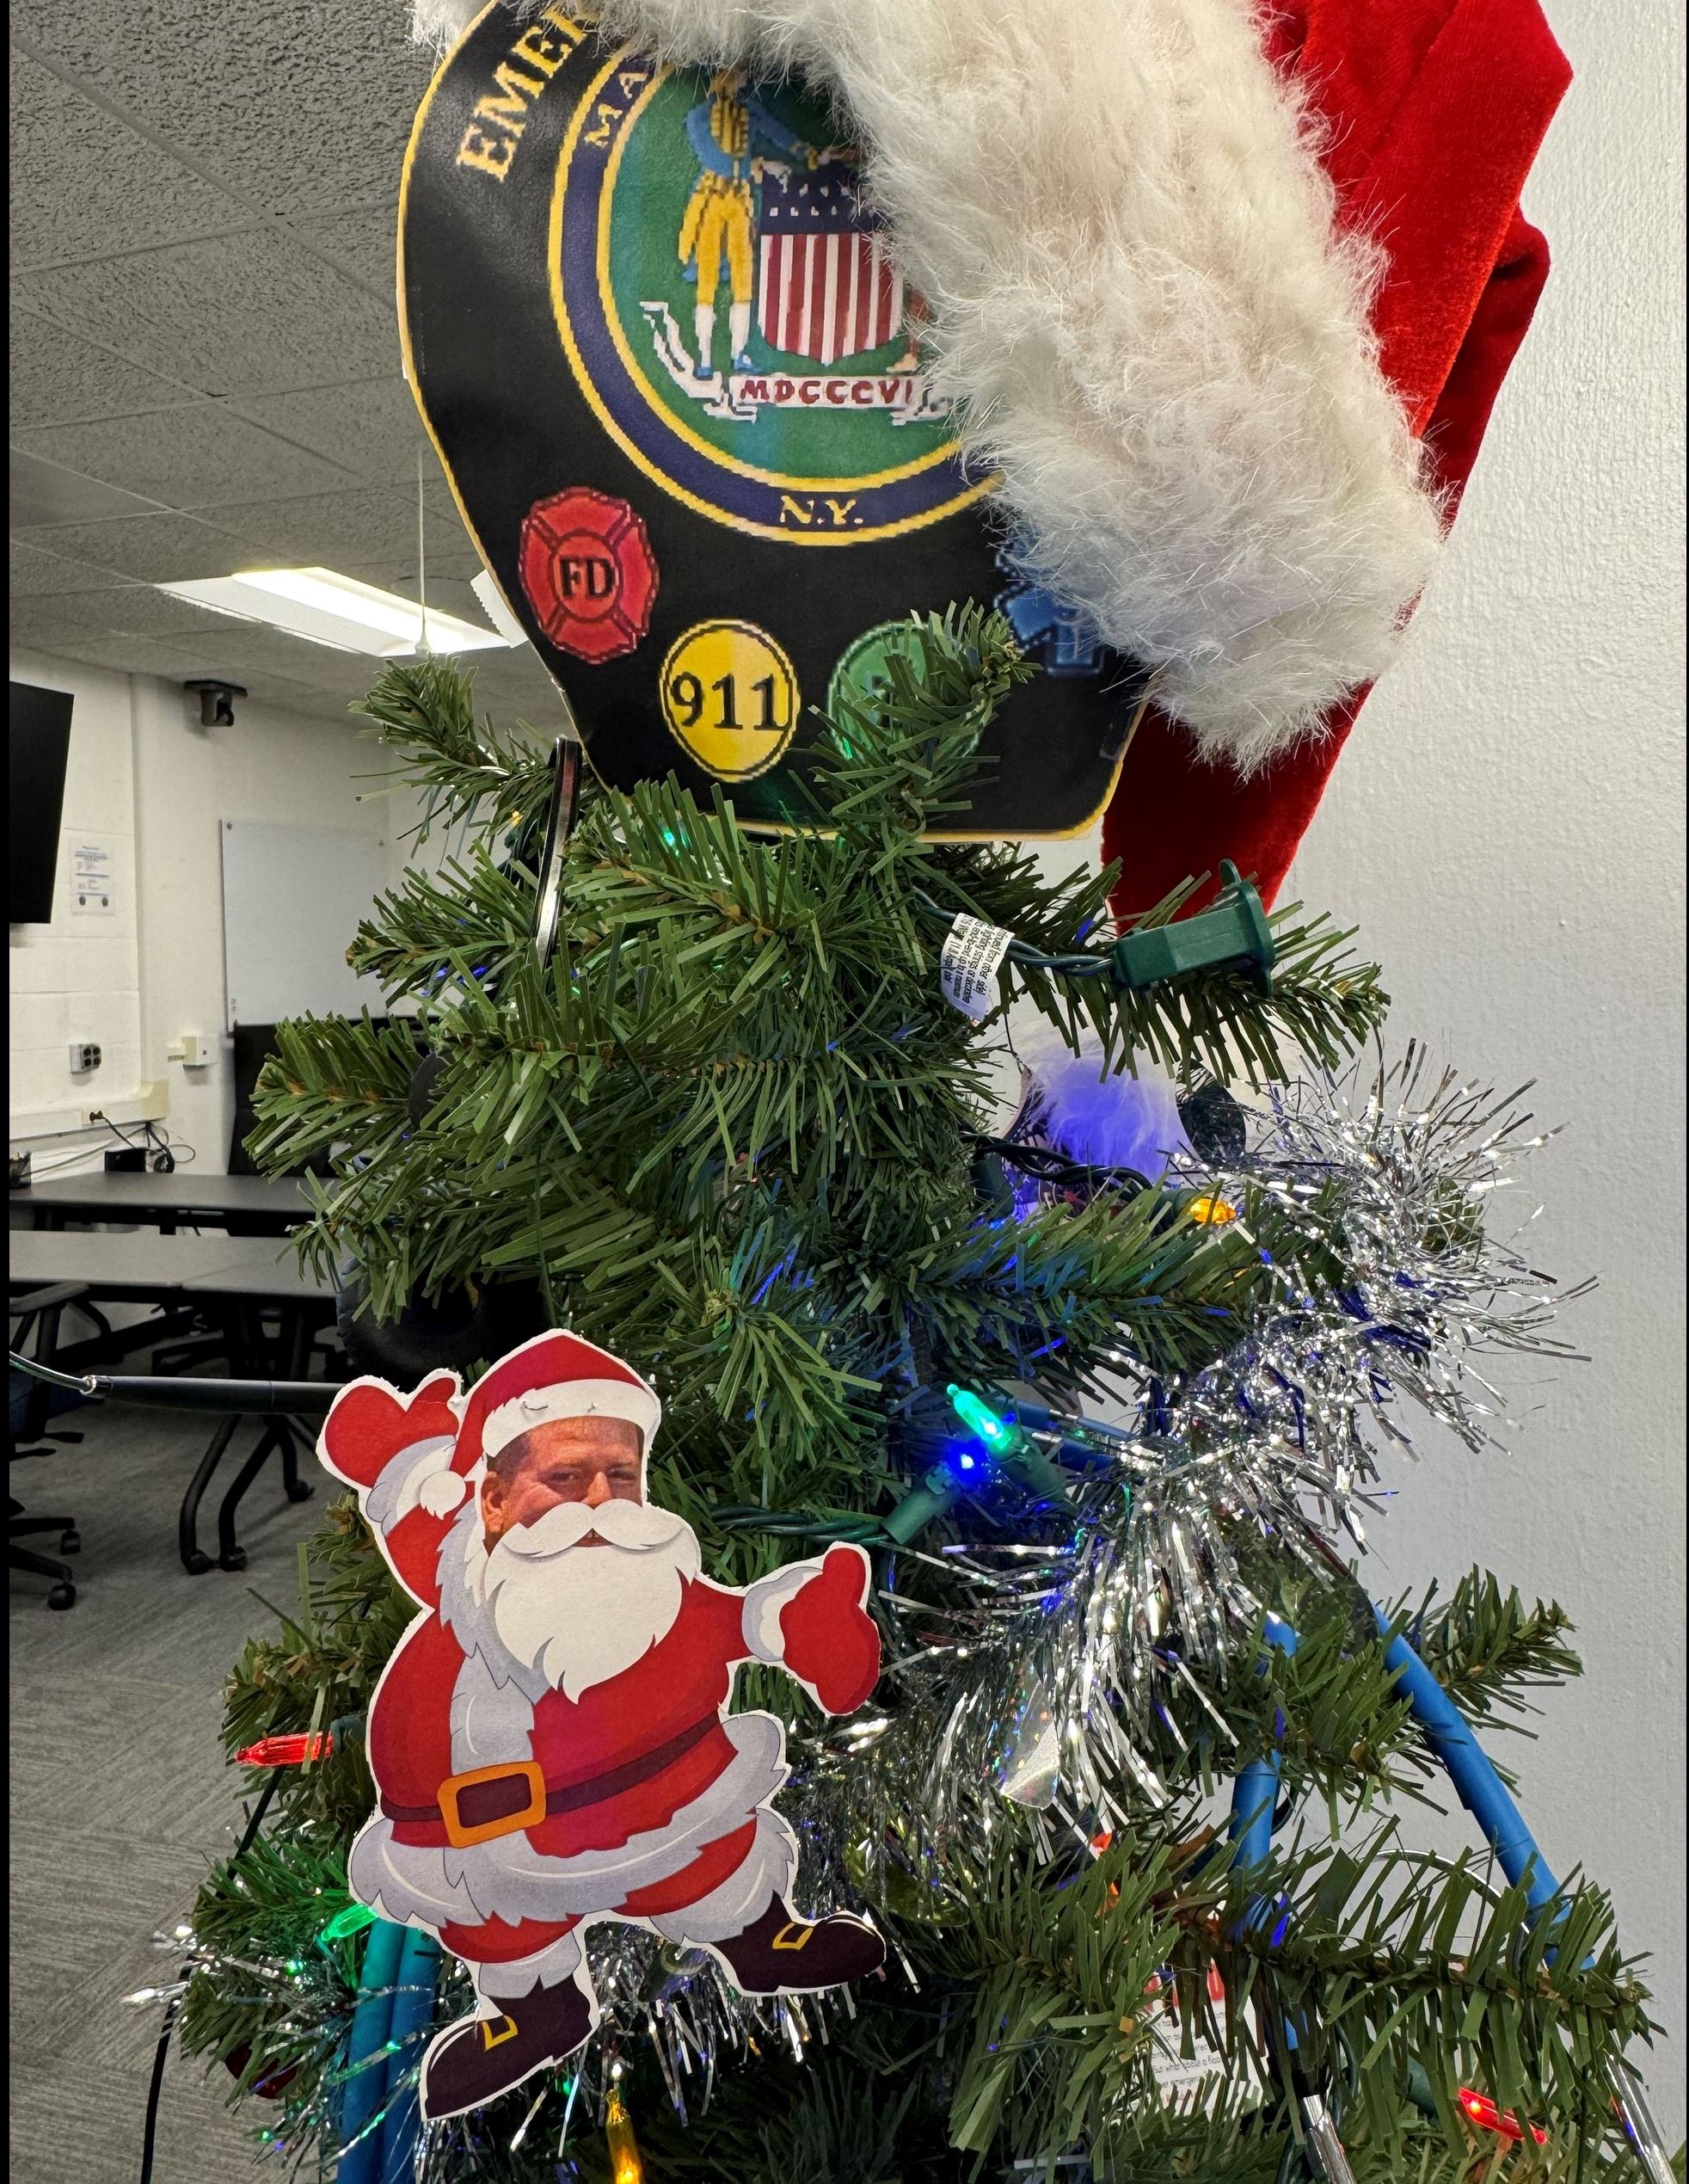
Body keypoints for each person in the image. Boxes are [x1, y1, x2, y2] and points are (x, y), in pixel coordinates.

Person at [318, 1330, 885, 2120]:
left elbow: (732, 1617)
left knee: (713, 1867)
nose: (597, 1502)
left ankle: (765, 1939)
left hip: (667, 1810)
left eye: (620, 1475)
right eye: (564, 1475)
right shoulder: (471, 1598)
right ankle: (536, 2010)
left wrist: (795, 1623)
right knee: (505, 1928)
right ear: (491, 1498)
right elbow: (416, 1668)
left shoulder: (653, 1589)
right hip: (499, 1850)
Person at [678, 68, 835, 378]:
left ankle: (739, 355)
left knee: (743, 278)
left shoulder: (750, 110)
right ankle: (705, 358)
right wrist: (756, 166)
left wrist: (813, 157)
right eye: (739, 75)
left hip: (741, 203)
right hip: (711, 201)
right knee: (707, 280)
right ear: (726, 77)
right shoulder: (699, 116)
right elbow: (713, 159)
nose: (745, 80)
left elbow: (779, 135)